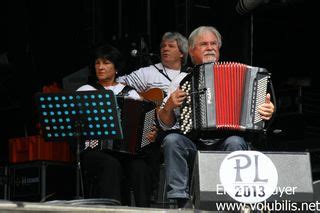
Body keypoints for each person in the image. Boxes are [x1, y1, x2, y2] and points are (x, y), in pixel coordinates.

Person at [157, 26, 275, 208]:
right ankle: (180, 200)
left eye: (214, 44)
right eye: (203, 44)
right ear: (191, 50)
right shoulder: (180, 80)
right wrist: (170, 106)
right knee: (172, 140)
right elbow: (165, 124)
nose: (210, 47)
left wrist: (266, 110)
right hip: (194, 143)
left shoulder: (246, 74)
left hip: (227, 140)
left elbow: (260, 112)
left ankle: (231, 200)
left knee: (235, 142)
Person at [77, 44, 155, 207]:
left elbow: (144, 123)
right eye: (97, 63)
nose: (100, 67)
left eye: (106, 63)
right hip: (94, 149)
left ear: (116, 68)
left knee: (140, 167)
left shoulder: (131, 93)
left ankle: (145, 210)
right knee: (111, 164)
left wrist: (149, 132)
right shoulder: (86, 91)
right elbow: (77, 126)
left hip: (126, 152)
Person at [117, 32, 188, 97]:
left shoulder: (189, 75)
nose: (165, 48)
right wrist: (140, 98)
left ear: (181, 53)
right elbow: (117, 83)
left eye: (171, 46)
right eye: (163, 46)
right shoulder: (149, 72)